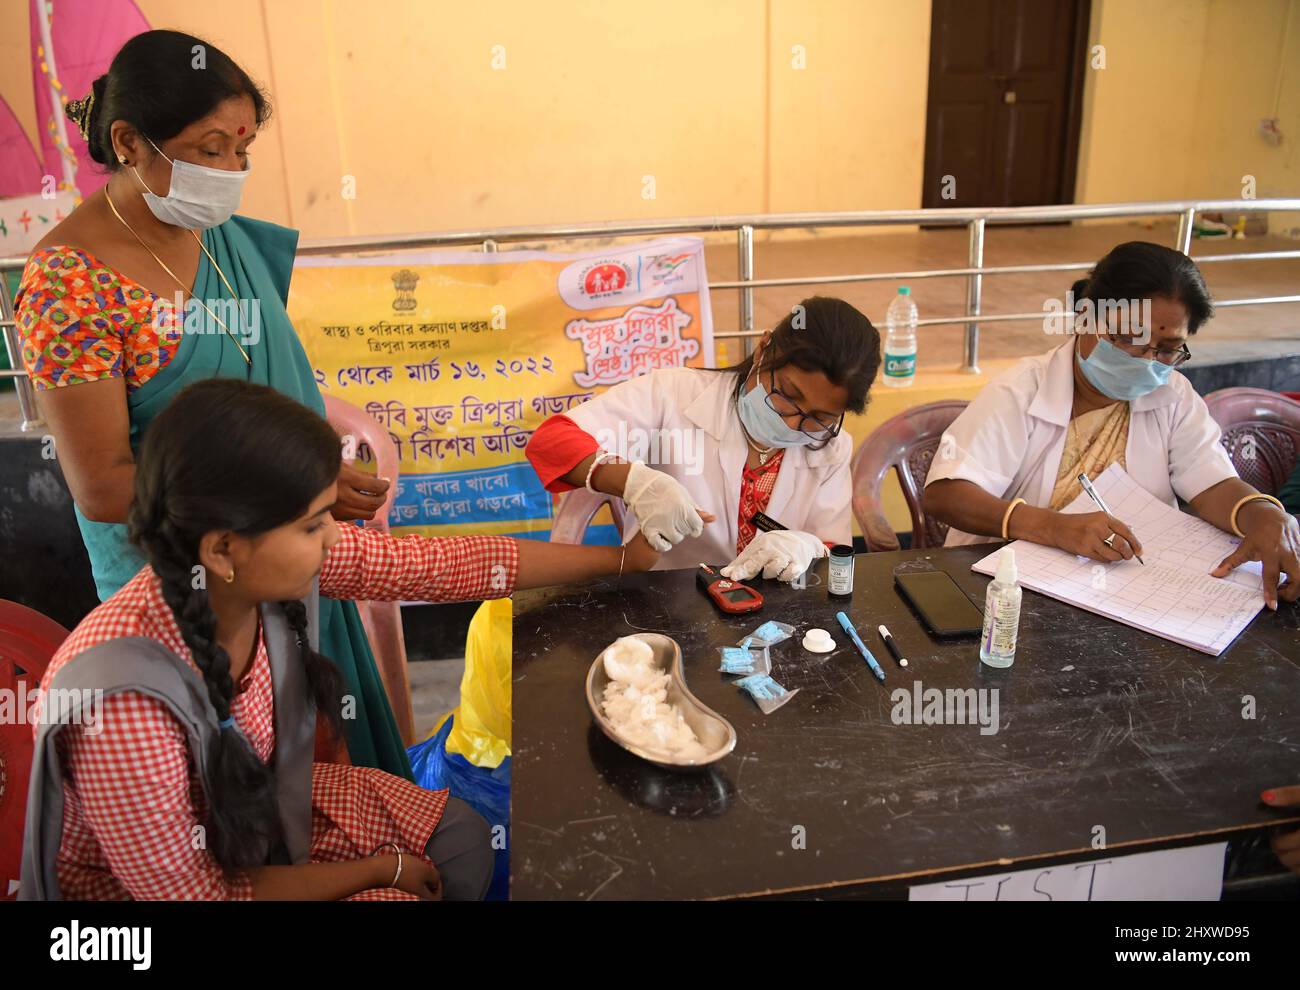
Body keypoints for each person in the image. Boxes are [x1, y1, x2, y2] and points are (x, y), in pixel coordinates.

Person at [21, 379, 658, 900]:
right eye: (312, 525)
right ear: (222, 548)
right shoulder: (120, 705)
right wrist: (379, 871)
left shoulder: (241, 572)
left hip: (251, 816)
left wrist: (621, 563)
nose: (334, 541)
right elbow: (196, 896)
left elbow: (447, 565)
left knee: (463, 840)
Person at [15, 30, 410, 775]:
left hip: (290, 550)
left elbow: (263, 395)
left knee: (332, 778)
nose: (232, 172)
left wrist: (318, 469)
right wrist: (299, 490)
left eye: (244, 149)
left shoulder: (221, 240)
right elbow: (102, 487)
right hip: (186, 590)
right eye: (209, 149)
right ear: (130, 142)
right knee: (238, 796)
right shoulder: (72, 284)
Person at [924, 242, 1300, 609]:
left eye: (1168, 348)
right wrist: (1053, 527)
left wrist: (1262, 514)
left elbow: (1211, 482)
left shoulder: (1173, 395)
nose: (1146, 359)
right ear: (1087, 317)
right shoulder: (1021, 391)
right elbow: (946, 495)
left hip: (1123, 593)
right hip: (1003, 594)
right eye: (1130, 338)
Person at [525, 296, 881, 582]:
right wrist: (635, 483)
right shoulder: (672, 394)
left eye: (819, 418)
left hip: (773, 610)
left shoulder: (830, 447)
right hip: (667, 600)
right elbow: (552, 442)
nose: (792, 421)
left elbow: (834, 550)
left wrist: (805, 546)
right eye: (787, 394)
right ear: (763, 350)